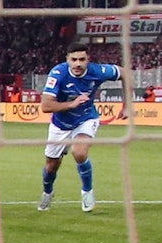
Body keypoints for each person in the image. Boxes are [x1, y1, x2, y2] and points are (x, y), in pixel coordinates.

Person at [38, 44, 124, 213]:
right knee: (51, 166)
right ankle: (48, 192)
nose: (78, 64)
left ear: (88, 60)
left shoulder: (98, 71)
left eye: (82, 60)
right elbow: (46, 106)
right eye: (74, 60)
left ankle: (87, 192)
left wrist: (127, 105)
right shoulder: (58, 73)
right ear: (67, 60)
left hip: (86, 118)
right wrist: (72, 104)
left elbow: (126, 73)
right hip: (60, 124)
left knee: (79, 152)